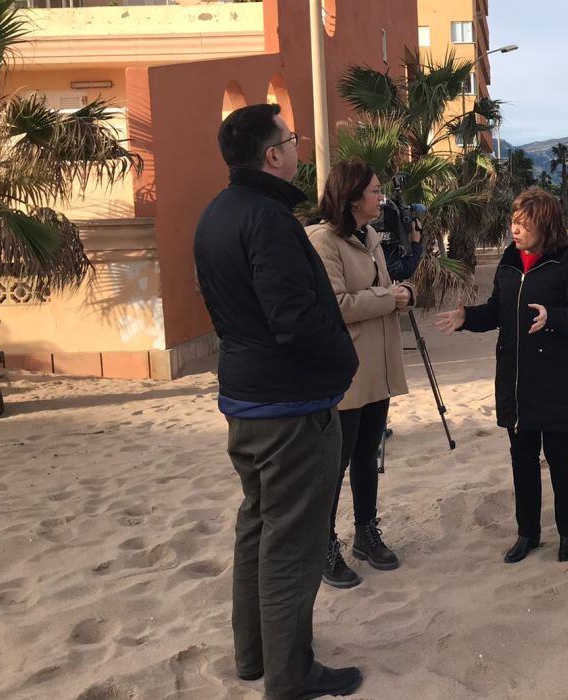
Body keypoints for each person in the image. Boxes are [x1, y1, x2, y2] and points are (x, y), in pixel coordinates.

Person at [193, 104, 365, 699]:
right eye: (291, 141)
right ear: (272, 155)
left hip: (246, 400)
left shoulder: (216, 214)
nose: (298, 149)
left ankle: (254, 656)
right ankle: (290, 676)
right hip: (290, 409)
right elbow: (293, 319)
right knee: (291, 541)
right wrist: (345, 361)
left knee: (257, 526)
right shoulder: (268, 218)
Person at [435, 187, 568, 563]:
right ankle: (527, 534)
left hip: (558, 378)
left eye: (524, 224)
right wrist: (466, 319)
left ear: (546, 225)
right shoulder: (510, 260)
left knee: (561, 457)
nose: (516, 230)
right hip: (516, 377)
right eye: (514, 222)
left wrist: (553, 318)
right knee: (522, 458)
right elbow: (498, 310)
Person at [307, 159, 414, 589]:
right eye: (373, 190)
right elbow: (335, 304)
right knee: (336, 462)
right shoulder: (322, 241)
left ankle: (366, 533)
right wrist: (389, 298)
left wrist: (402, 293)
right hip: (347, 370)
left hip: (378, 365)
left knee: (368, 455)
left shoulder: (368, 236)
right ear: (352, 198)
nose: (380, 196)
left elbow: (378, 290)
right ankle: (324, 544)